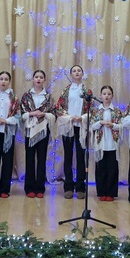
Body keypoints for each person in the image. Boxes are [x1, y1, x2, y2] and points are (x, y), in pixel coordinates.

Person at [55, 65, 93, 199]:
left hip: (81, 126)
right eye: (74, 71)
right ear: (71, 74)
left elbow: (92, 109)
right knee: (68, 155)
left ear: (82, 74)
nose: (77, 73)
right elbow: (59, 108)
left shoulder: (87, 91)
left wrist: (82, 117)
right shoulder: (66, 90)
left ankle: (81, 186)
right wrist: (70, 117)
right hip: (69, 125)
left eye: (79, 71)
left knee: (81, 156)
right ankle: (68, 186)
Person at [21, 70, 56, 198]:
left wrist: (44, 114)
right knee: (29, 160)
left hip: (43, 130)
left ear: (44, 80)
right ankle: (29, 188)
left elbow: (54, 113)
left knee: (41, 160)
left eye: (41, 77)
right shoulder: (26, 96)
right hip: (30, 131)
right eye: (36, 77)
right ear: (33, 79)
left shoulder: (49, 97)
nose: (38, 79)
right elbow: (21, 113)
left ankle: (40, 188)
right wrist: (31, 114)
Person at [90, 85, 123, 202]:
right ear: (100, 95)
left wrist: (112, 125)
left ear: (112, 96)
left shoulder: (116, 111)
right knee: (101, 168)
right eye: (104, 94)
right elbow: (92, 126)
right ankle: (101, 192)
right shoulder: (96, 111)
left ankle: (111, 193)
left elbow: (121, 126)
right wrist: (100, 123)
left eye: (109, 94)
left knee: (112, 169)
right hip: (100, 144)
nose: (106, 96)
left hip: (112, 144)